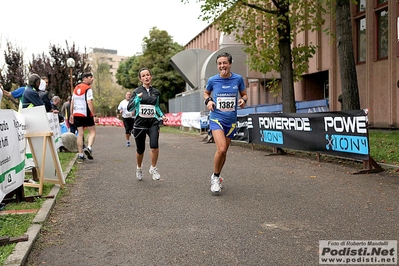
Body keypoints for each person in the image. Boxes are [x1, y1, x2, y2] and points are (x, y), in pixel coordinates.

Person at [204, 52, 248, 194]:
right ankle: (215, 178)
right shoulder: (213, 80)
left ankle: (216, 174)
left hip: (231, 121)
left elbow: (244, 94)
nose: (222, 66)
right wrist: (208, 100)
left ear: (230, 64)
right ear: (217, 66)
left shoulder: (238, 79)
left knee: (224, 152)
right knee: (221, 148)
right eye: (219, 63)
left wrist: (243, 100)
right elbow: (206, 93)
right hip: (217, 118)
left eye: (224, 63)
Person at [127, 68, 168, 181]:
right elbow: (129, 107)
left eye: (148, 75)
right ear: (140, 79)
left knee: (154, 146)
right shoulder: (136, 91)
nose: (146, 77)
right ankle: (139, 168)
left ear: (151, 77)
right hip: (140, 124)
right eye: (143, 75)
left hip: (153, 123)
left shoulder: (156, 92)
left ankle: (153, 168)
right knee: (140, 150)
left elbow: (157, 107)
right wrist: (137, 98)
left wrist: (162, 115)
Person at [69, 72, 97, 162]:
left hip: (77, 113)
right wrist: (94, 114)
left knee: (80, 134)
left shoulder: (76, 87)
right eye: (90, 77)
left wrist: (71, 114)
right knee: (92, 132)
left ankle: (80, 155)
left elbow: (72, 102)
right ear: (85, 78)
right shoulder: (88, 88)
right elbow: (89, 102)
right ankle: (89, 147)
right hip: (86, 113)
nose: (92, 79)